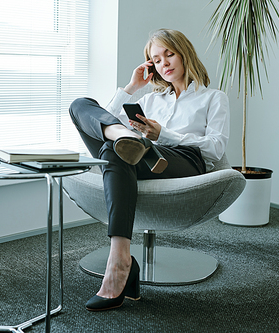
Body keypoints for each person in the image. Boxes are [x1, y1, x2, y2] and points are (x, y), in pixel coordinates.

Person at [69, 28, 230, 311]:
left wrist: (162, 135)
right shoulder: (150, 99)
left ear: (184, 54)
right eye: (156, 59)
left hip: (183, 160)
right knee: (81, 106)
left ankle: (119, 263)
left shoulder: (213, 98)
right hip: (138, 154)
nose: (164, 63)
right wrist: (131, 88)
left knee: (118, 150)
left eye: (169, 54)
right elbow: (99, 122)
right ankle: (124, 137)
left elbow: (215, 149)